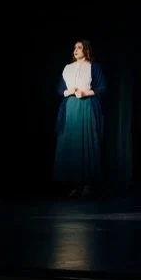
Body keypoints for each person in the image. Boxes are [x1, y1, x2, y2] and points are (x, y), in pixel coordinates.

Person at [54, 40, 106, 197]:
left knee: (87, 142)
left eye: (79, 47)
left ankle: (88, 184)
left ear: (86, 50)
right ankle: (74, 185)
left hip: (86, 107)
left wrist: (85, 93)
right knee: (71, 144)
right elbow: (59, 89)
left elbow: (102, 87)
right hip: (70, 108)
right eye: (74, 47)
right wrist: (69, 91)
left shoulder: (94, 67)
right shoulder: (67, 68)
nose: (76, 50)